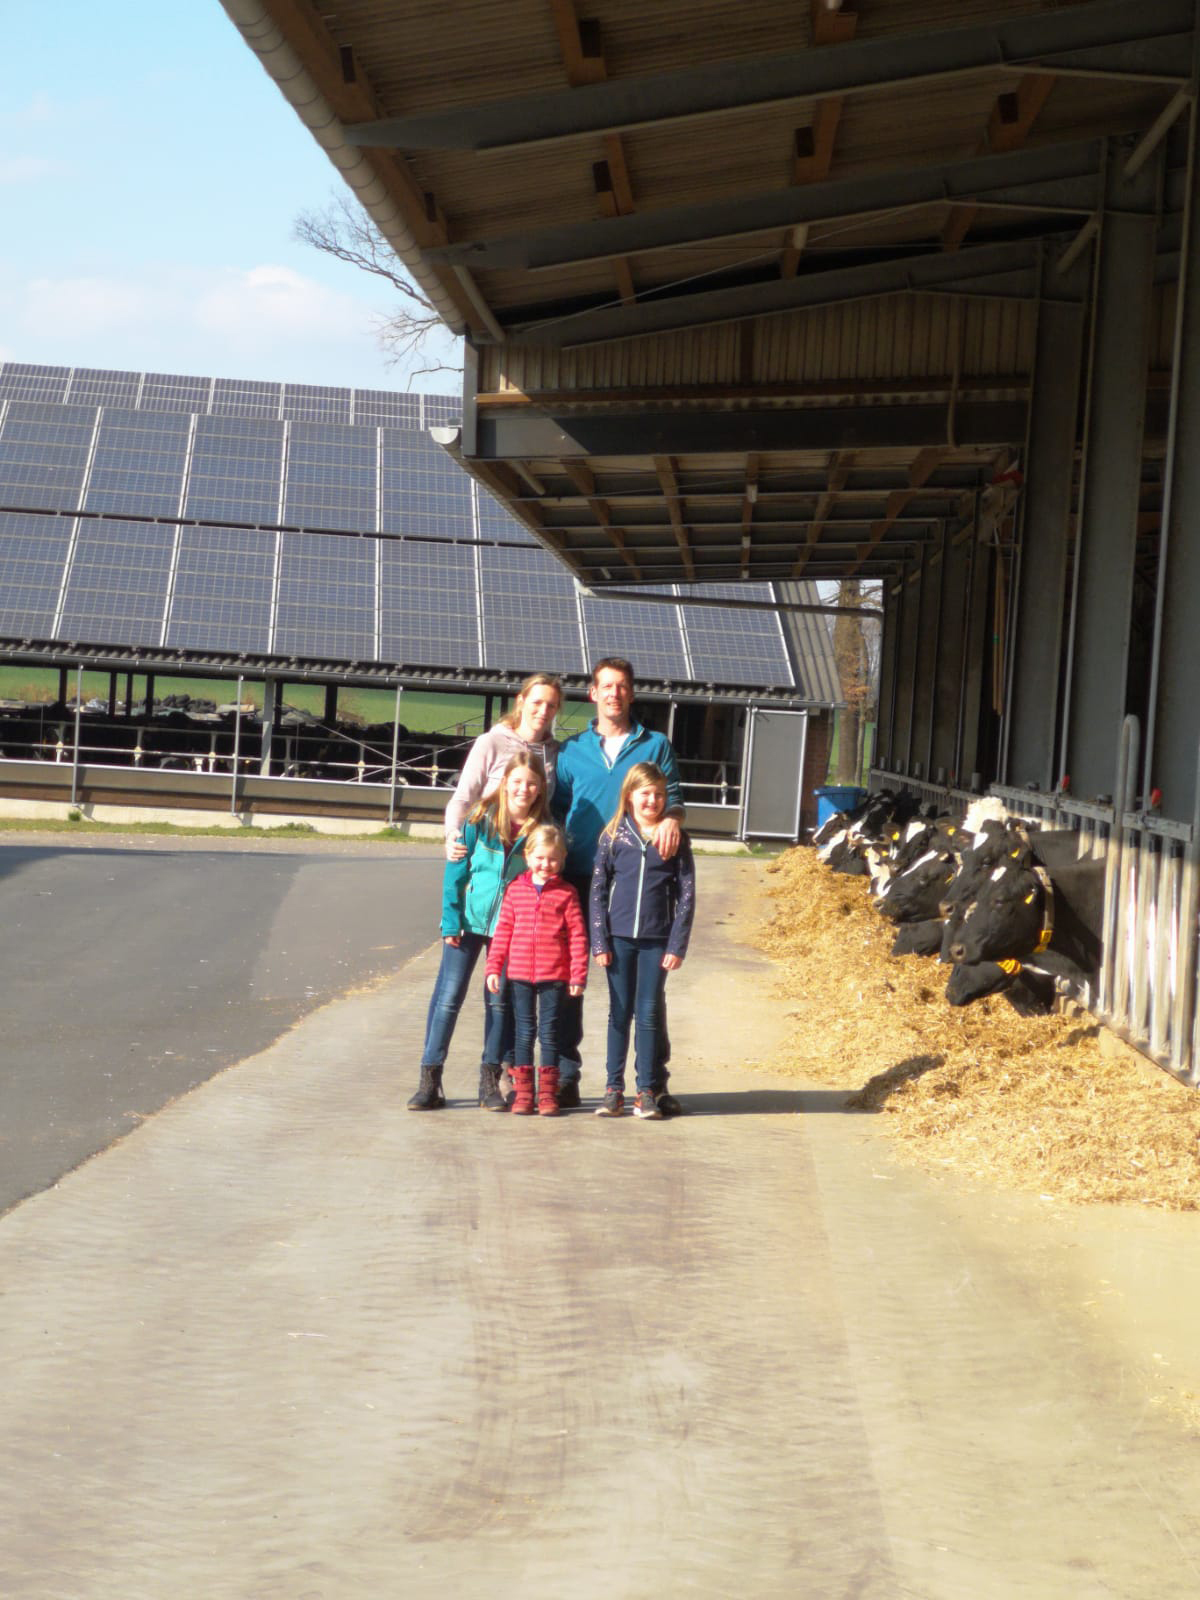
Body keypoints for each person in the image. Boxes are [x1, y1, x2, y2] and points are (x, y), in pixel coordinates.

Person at [551, 657, 685, 1109]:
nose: (614, 694)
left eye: (622, 686)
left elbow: (676, 800)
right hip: (578, 878)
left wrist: (671, 819)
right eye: (605, 686)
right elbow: (553, 814)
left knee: (648, 995)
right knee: (573, 981)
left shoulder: (657, 745)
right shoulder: (571, 752)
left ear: (631, 694)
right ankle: (568, 1076)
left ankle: (654, 1081)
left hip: (636, 884)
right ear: (593, 693)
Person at [409, 755, 548, 1112]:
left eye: (532, 783)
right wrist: (450, 920)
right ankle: (430, 1080)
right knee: (448, 998)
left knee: (498, 1002)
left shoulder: (540, 830)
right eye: (517, 781)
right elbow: (456, 873)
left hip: (508, 928)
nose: (524, 789)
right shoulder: (478, 821)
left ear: (540, 789)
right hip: (467, 922)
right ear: (504, 783)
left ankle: (489, 1082)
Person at [590, 764, 696, 1120]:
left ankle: (647, 1090)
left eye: (659, 794)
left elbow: (686, 895)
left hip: (656, 940)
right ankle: (612, 1089)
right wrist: (600, 941)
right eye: (645, 793)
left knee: (649, 1013)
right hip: (618, 940)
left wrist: (676, 944)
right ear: (630, 796)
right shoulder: (612, 837)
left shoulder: (675, 839)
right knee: (619, 1012)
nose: (652, 800)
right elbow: (597, 891)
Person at [486, 823, 588, 1117]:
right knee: (523, 1033)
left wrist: (578, 974)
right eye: (540, 858)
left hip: (554, 976)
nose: (546, 864)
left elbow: (578, 936)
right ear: (528, 856)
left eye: (553, 859)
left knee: (550, 1033)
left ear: (563, 859)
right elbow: (502, 931)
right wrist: (494, 967)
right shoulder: (515, 890)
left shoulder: (566, 894)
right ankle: (523, 1093)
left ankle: (547, 1094)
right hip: (518, 974)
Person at [444, 673, 561, 861]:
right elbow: (464, 797)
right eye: (537, 702)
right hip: (488, 848)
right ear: (521, 701)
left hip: (530, 856)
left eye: (551, 705)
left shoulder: (556, 753)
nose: (543, 710)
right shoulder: (491, 742)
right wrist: (452, 833)